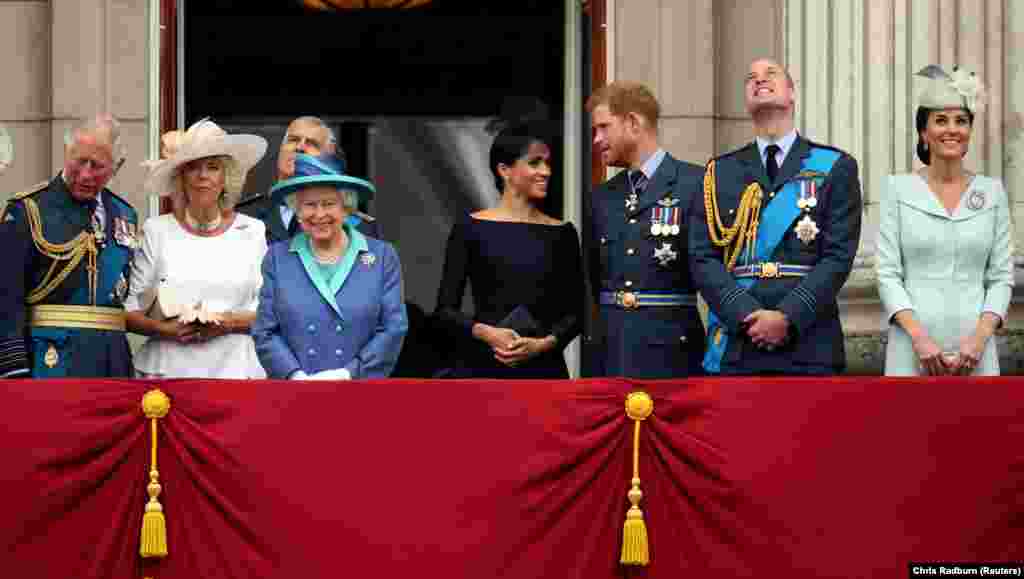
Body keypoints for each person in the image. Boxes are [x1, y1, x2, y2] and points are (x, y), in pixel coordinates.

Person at [689, 58, 862, 375]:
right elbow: (702, 258)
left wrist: (787, 317)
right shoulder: (719, 172)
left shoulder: (836, 166)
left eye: (771, 74)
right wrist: (746, 315)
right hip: (739, 343)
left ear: (792, 93)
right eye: (750, 77)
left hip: (809, 342)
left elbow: (838, 258)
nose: (759, 79)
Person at [877, 66, 1013, 376]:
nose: (951, 129)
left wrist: (978, 340)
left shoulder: (991, 193)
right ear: (924, 132)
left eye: (961, 121)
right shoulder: (898, 189)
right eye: (940, 120)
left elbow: (1001, 276)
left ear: (970, 131)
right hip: (911, 348)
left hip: (975, 352)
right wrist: (920, 339)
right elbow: (887, 273)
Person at [435, 121, 583, 379]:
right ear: (504, 170)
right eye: (535, 163)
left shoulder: (563, 233)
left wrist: (544, 343)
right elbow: (445, 311)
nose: (546, 171)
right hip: (485, 369)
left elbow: (578, 312)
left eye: (548, 163)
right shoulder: (471, 227)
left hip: (545, 372)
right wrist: (487, 333)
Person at [125, 119, 269, 378]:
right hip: (167, 373)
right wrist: (165, 330)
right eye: (193, 168)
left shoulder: (253, 231)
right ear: (180, 178)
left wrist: (226, 323)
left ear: (226, 178)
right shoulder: (156, 230)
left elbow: (269, 311)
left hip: (236, 372)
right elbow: (130, 310)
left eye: (213, 168)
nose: (203, 176)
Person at [0, 114, 138, 378]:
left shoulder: (125, 214)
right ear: (67, 152)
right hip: (50, 360)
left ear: (116, 167)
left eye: (97, 166)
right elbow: (6, 297)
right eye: (79, 162)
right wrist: (13, 368)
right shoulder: (29, 209)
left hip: (111, 364)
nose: (85, 174)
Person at [583, 81, 705, 378]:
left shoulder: (696, 184)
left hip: (673, 355)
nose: (597, 139)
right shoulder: (601, 197)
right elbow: (594, 279)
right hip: (612, 354)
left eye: (603, 127)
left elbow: (713, 272)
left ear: (633, 123)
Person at [253, 153, 407, 379]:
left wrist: (348, 374)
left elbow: (393, 328)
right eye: (309, 205)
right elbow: (265, 331)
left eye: (328, 204)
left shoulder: (382, 257)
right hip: (296, 393)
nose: (319, 214)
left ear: (346, 208)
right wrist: (294, 375)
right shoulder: (277, 258)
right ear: (297, 210)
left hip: (359, 390)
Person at [236, 116, 380, 240]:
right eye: (293, 140)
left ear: (327, 160)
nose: (299, 147)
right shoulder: (242, 216)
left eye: (312, 143)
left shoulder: (356, 224)